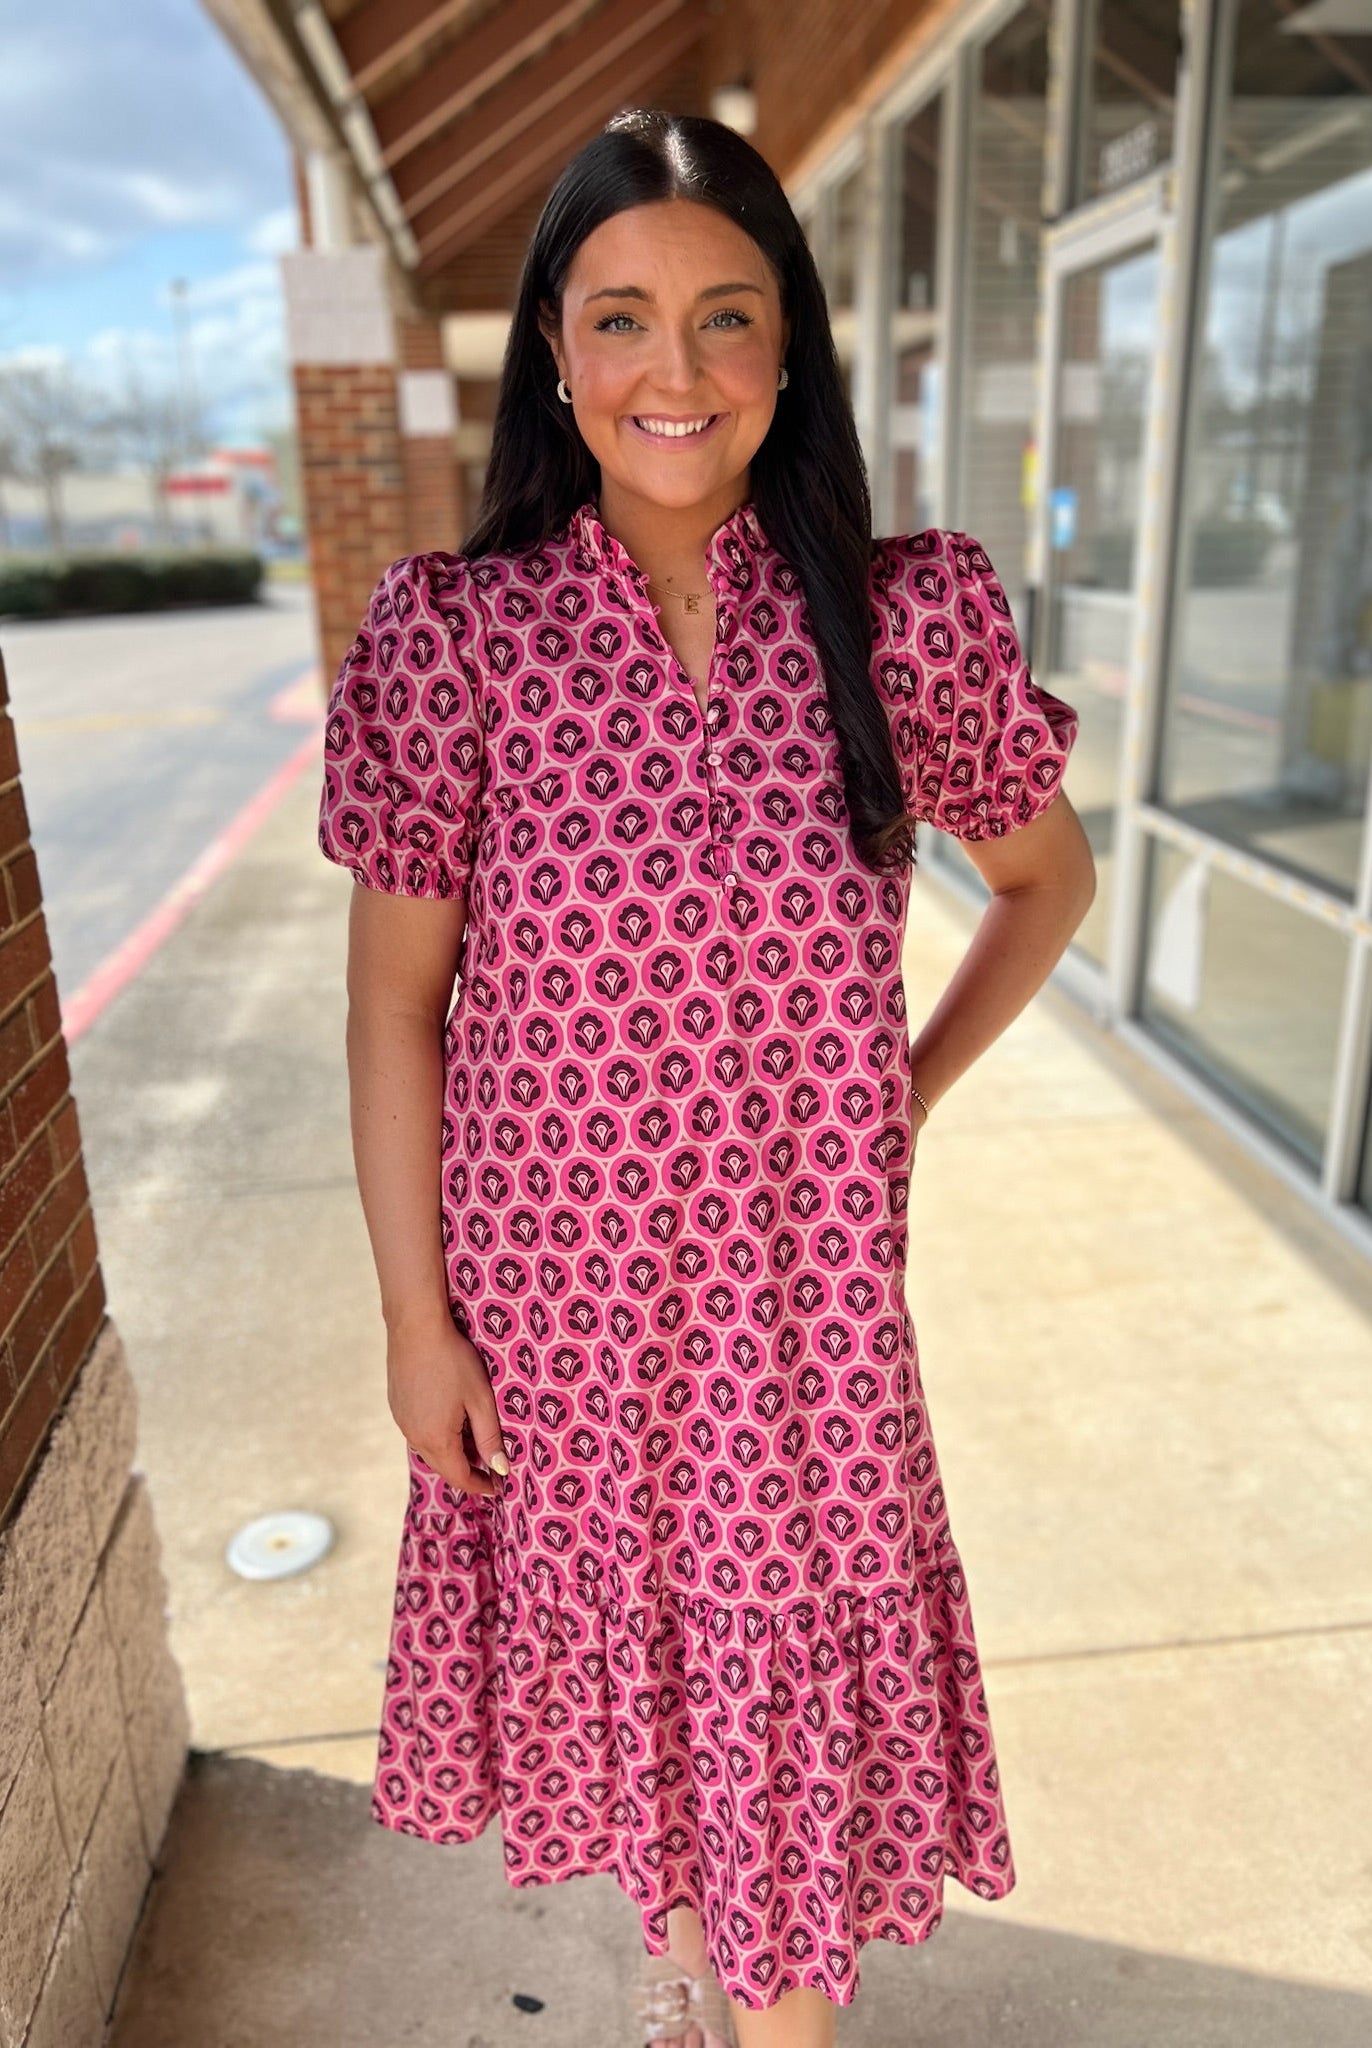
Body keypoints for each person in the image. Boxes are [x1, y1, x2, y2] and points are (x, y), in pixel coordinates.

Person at [317, 106, 1093, 2048]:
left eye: (724, 317)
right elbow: (394, 1009)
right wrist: (418, 1320)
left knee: (771, 1710)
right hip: (551, 1312)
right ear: (558, 355)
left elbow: (1040, 879)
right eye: (622, 318)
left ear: (786, 347)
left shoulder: (902, 615)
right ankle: (699, 1971)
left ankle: (752, 2016)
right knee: (653, 1695)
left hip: (792, 1319)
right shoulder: (454, 643)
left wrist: (896, 1095)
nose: (675, 370)